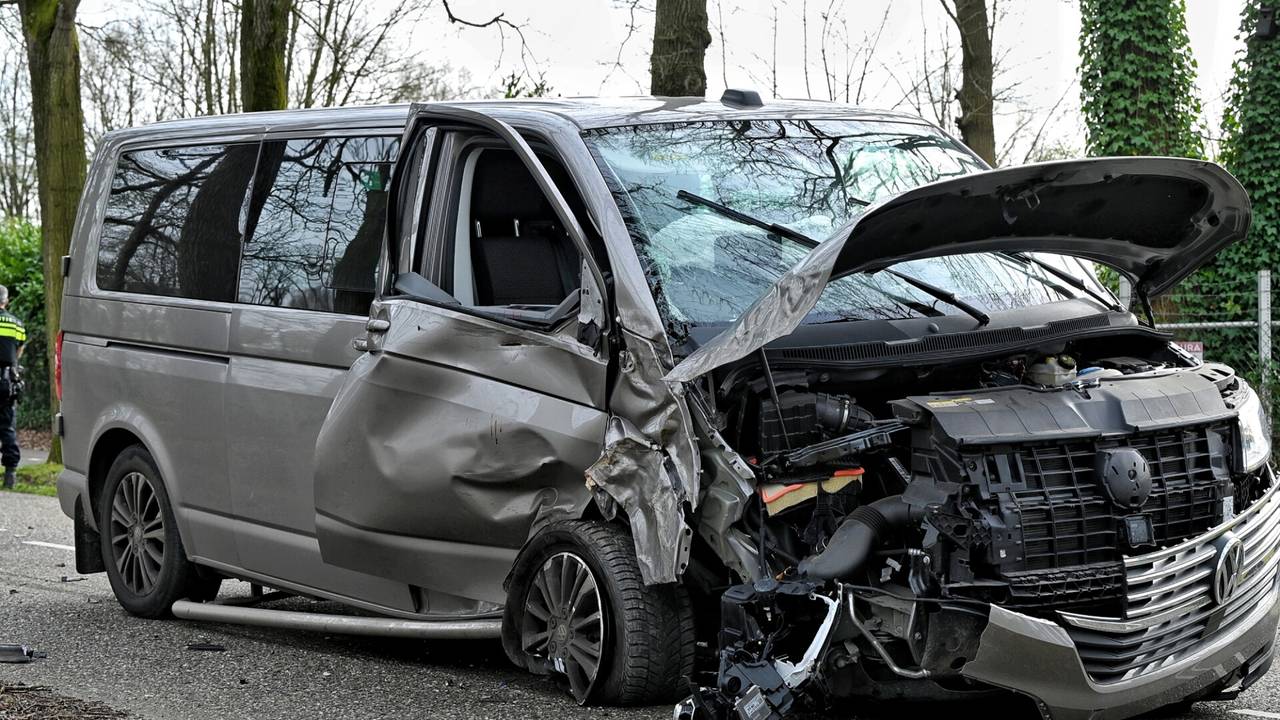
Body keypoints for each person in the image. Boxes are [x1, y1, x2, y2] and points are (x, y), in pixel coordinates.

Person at [0, 285, 24, 489]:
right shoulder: (17, 323)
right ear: (6, 301)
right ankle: (10, 474)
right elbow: (19, 350)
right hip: (7, 381)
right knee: (7, 427)